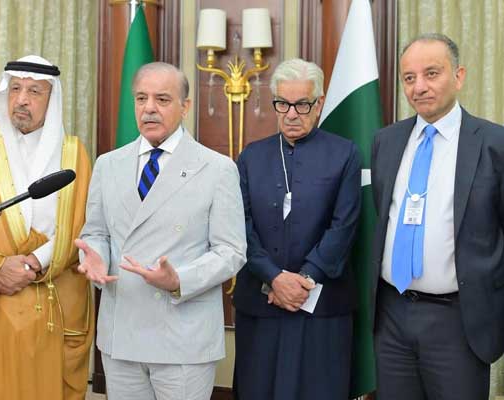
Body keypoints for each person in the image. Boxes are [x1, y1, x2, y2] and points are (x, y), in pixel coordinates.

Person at [76, 61, 246, 400]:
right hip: (121, 333)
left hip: (182, 337)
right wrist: (93, 257)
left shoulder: (216, 169)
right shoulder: (108, 164)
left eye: (162, 99)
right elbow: (96, 232)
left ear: (185, 107)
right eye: (141, 98)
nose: (149, 108)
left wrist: (179, 279)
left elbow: (231, 251)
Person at [0, 55, 93, 400]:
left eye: (34, 91)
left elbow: (80, 224)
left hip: (51, 296)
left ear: (51, 100)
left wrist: (34, 262)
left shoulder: (74, 153)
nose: (22, 99)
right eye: (15, 89)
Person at [371, 33, 504, 399]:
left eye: (432, 73)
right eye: (409, 78)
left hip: (458, 321)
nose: (419, 87)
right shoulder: (386, 141)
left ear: (458, 76)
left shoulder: (494, 144)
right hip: (392, 316)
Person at [232, 58, 361, 399]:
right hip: (262, 303)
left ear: (318, 104)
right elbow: (239, 226)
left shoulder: (345, 153)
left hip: (322, 306)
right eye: (283, 103)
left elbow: (344, 225)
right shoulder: (250, 157)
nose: (291, 113)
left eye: (302, 104)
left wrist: (303, 280)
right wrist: (273, 277)